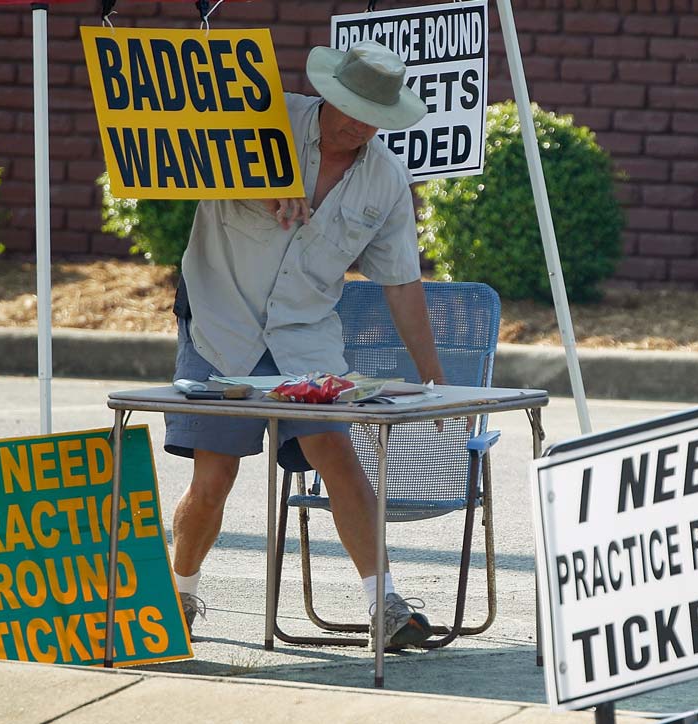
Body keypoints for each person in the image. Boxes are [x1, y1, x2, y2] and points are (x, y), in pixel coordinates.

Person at [165, 41, 441, 649]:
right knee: (214, 477)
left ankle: (385, 607)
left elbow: (401, 281)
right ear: (326, 93)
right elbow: (181, 156)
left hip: (305, 334)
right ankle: (178, 598)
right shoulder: (260, 118)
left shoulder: (387, 176)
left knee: (336, 454)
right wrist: (255, 186)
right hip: (221, 321)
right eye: (349, 107)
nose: (358, 124)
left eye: (373, 114)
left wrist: (433, 377)